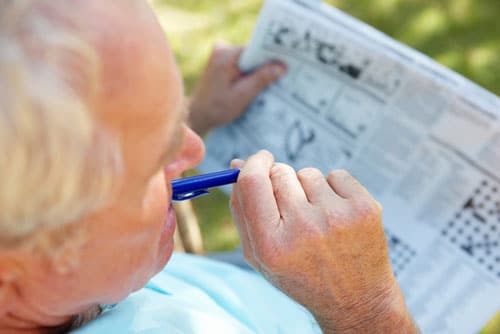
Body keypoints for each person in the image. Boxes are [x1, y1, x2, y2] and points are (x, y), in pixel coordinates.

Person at [0, 0, 419, 333]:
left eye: (174, 121)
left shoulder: (71, 282)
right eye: (151, 162)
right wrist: (367, 309)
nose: (194, 150)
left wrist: (193, 114)